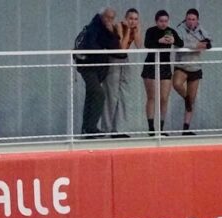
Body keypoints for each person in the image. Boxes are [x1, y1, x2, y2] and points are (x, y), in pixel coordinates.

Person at [77, 7, 121, 137]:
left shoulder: (106, 30)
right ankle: (91, 128)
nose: (109, 20)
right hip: (87, 66)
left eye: (112, 18)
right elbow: (91, 45)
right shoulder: (93, 28)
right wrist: (103, 48)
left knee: (91, 96)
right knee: (99, 93)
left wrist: (112, 32)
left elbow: (115, 47)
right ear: (102, 16)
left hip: (98, 68)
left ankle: (86, 129)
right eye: (107, 17)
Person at [101, 7, 142, 137]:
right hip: (113, 60)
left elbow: (139, 46)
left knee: (124, 95)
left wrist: (136, 32)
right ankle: (106, 129)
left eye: (135, 19)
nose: (133, 21)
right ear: (125, 18)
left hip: (125, 61)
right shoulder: (118, 27)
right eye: (130, 18)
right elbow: (122, 48)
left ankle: (120, 129)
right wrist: (128, 31)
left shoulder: (134, 29)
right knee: (111, 96)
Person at [142, 10, 183, 135]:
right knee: (151, 97)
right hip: (151, 64)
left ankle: (161, 128)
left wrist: (173, 41)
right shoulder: (151, 31)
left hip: (165, 65)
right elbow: (147, 44)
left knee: (164, 98)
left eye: (166, 21)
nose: (163, 24)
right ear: (156, 21)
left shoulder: (170, 31)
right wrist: (159, 41)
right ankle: (151, 128)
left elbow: (181, 43)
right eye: (161, 21)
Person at [173, 9, 211, 135]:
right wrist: (196, 46)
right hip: (182, 64)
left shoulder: (201, 30)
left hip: (195, 66)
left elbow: (208, 43)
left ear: (197, 20)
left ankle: (186, 128)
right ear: (185, 19)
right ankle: (186, 98)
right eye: (189, 19)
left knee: (192, 99)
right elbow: (180, 44)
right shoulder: (179, 29)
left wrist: (198, 45)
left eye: (193, 19)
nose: (191, 21)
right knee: (177, 84)